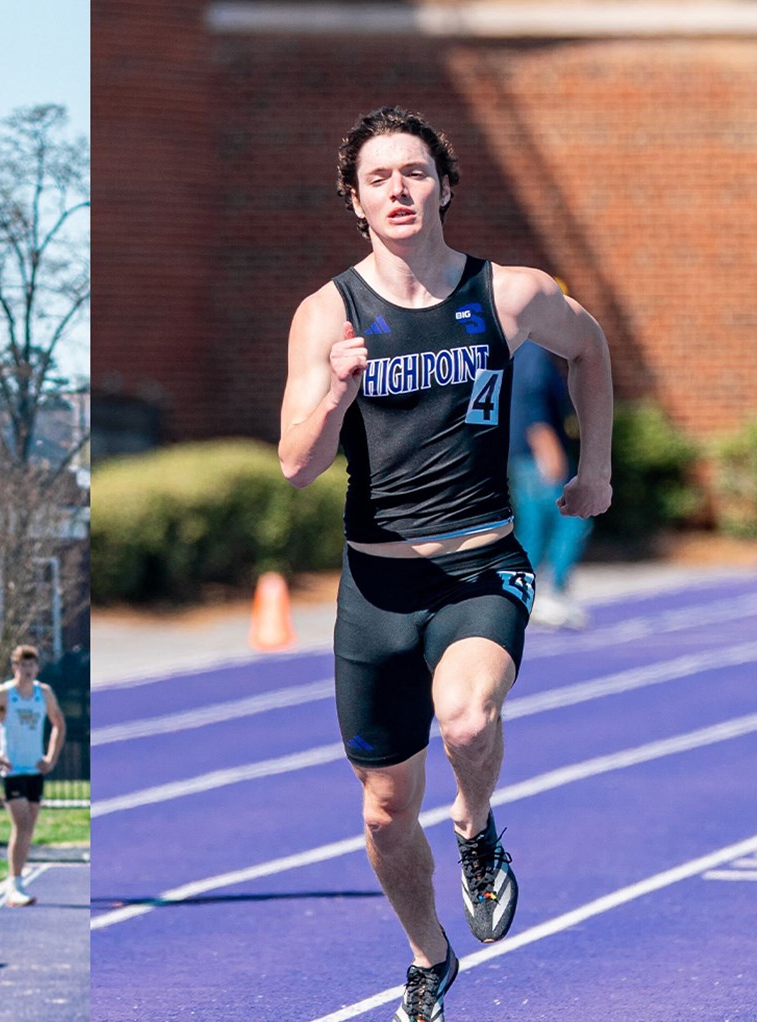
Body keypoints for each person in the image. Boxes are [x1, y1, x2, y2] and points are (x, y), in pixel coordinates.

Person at [277, 106, 613, 1022]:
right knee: (385, 812)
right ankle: (429, 955)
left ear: (445, 186)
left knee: (466, 723)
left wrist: (596, 466)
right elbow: (296, 466)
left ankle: (475, 824)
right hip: (375, 588)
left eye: (414, 173)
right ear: (355, 200)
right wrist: (336, 391)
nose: (399, 189)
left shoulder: (507, 294)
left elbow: (590, 348)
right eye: (379, 177)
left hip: (479, 569)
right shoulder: (328, 314)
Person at [0, 644, 66, 907]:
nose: (28, 669)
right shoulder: (4, 694)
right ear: (15, 667)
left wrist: (51, 758)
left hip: (35, 769)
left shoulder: (45, 693)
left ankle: (17, 878)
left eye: (32, 664)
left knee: (28, 827)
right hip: (11, 770)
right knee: (21, 825)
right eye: (23, 664)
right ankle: (14, 883)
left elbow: (59, 724)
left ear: (37, 667)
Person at [508, 339, 592, 629]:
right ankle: (552, 591)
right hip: (536, 453)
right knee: (571, 520)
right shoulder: (533, 351)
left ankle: (521, 595)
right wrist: (545, 445)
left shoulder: (519, 348)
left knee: (534, 527)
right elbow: (532, 397)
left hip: (522, 452)